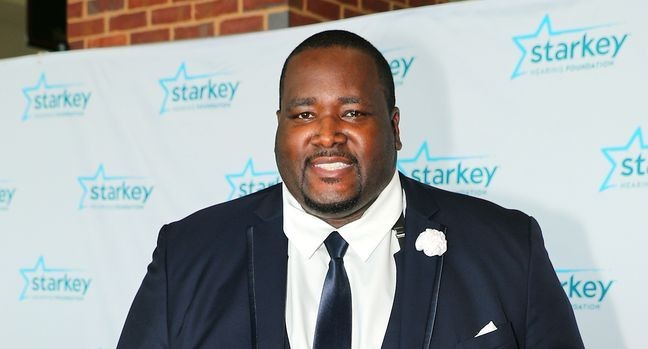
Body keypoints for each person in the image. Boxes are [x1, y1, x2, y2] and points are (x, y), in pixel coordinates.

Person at [117, 30, 584, 348]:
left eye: (353, 112)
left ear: (395, 128)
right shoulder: (187, 253)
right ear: (279, 129)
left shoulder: (506, 247)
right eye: (303, 115)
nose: (327, 134)